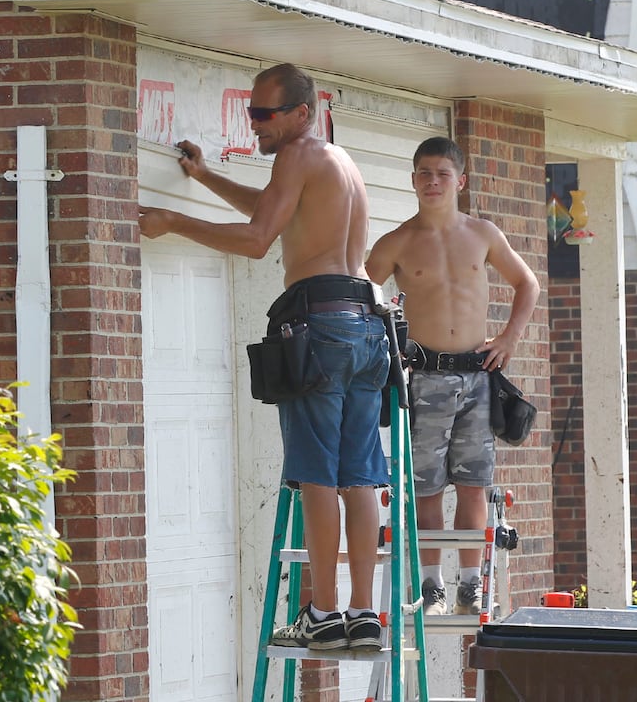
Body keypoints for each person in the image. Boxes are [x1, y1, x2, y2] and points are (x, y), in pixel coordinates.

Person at [138, 63, 388, 652]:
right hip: (365, 326)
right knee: (358, 478)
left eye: (265, 114)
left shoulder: (296, 155)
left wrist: (172, 220)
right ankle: (361, 614)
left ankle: (322, 613)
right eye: (252, 112)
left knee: (318, 478)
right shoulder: (338, 161)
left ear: (302, 113)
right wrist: (203, 178)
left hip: (319, 325)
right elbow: (274, 209)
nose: (255, 125)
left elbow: (256, 240)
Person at [366, 137, 539, 616]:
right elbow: (362, 291)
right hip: (424, 378)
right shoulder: (395, 242)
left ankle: (469, 584)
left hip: (478, 376)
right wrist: (386, 349)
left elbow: (528, 283)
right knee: (426, 486)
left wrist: (509, 338)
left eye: (442, 173)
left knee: (473, 482)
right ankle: (431, 585)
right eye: (424, 173)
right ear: (413, 180)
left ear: (459, 180)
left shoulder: (482, 233)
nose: (432, 181)